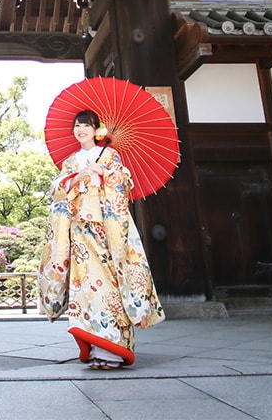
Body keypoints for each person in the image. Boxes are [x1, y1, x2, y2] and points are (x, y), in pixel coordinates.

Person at [37, 109, 164, 370]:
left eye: (86, 125)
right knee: (85, 288)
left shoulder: (109, 155)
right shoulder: (71, 161)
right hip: (80, 230)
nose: (80, 130)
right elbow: (57, 191)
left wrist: (105, 175)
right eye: (77, 126)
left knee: (109, 285)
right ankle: (96, 347)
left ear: (97, 130)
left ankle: (114, 350)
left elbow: (124, 183)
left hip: (106, 228)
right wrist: (76, 178)